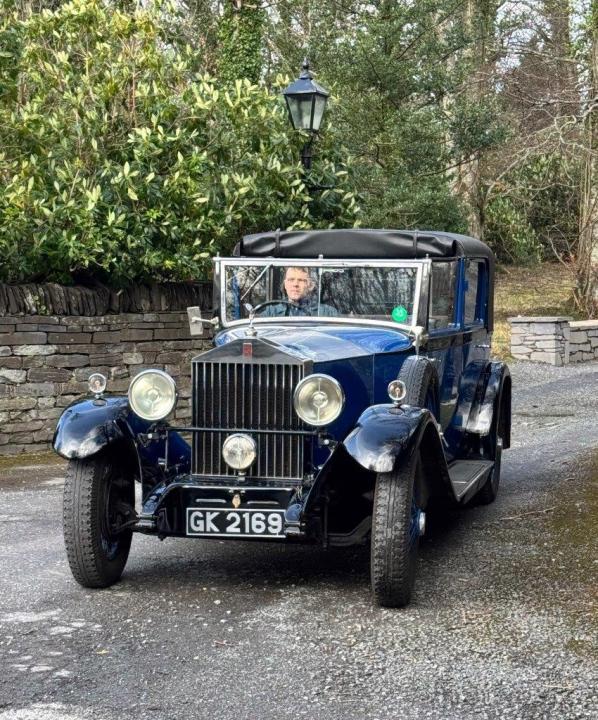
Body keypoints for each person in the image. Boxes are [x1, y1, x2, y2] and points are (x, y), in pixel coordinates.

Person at [260, 267, 338, 317]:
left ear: (310, 286)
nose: (295, 284)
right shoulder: (270, 313)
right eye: (291, 280)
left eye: (301, 280)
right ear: (285, 285)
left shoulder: (328, 313)